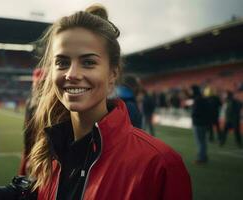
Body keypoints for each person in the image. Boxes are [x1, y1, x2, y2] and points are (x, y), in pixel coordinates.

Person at [26, 4, 192, 200]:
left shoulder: (160, 165)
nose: (71, 74)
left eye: (88, 62)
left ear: (113, 73)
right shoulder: (50, 156)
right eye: (62, 62)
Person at [190, 85, 210, 164]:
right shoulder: (203, 99)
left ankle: (201, 158)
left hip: (198, 123)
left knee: (199, 141)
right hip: (204, 123)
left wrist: (192, 113)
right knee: (203, 141)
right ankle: (204, 156)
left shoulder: (197, 100)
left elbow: (195, 113)